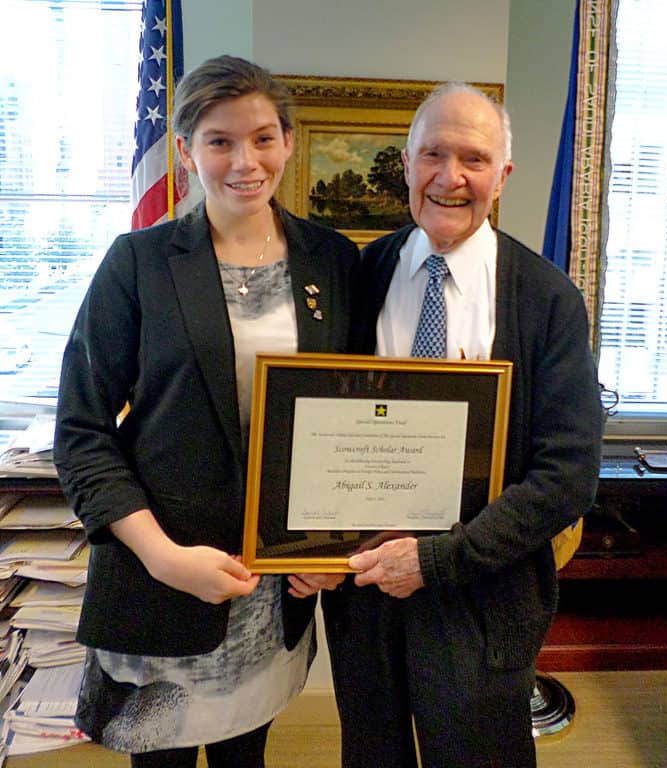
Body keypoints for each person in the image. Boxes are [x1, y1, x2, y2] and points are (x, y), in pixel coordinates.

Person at [53, 55, 354, 768]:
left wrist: (330, 548)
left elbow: (351, 415)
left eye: (263, 138)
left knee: (246, 756)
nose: (245, 161)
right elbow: (83, 431)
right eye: (220, 141)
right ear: (187, 152)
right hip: (164, 572)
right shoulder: (138, 262)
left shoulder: (332, 260)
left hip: (273, 590)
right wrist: (163, 557)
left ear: (287, 141)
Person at [321, 83, 604, 768]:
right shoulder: (360, 276)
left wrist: (438, 561)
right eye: (433, 155)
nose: (450, 177)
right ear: (406, 165)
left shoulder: (547, 300)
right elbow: (318, 429)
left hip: (484, 595)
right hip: (368, 595)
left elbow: (568, 475)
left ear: (502, 175)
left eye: (474, 159)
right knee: (372, 755)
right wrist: (305, 545)